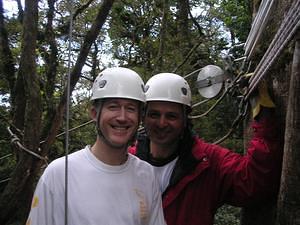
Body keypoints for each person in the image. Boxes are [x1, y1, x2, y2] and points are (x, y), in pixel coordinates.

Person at [129, 72, 283, 225]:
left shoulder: (207, 163)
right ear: (144, 117)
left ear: (184, 119)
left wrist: (263, 114)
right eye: (154, 115)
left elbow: (255, 182)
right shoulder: (126, 162)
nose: (162, 124)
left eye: (171, 116)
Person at [26, 67, 166, 225]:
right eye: (113, 106)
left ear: (140, 117)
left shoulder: (147, 175)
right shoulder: (59, 174)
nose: (122, 117)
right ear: (94, 113)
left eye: (131, 108)